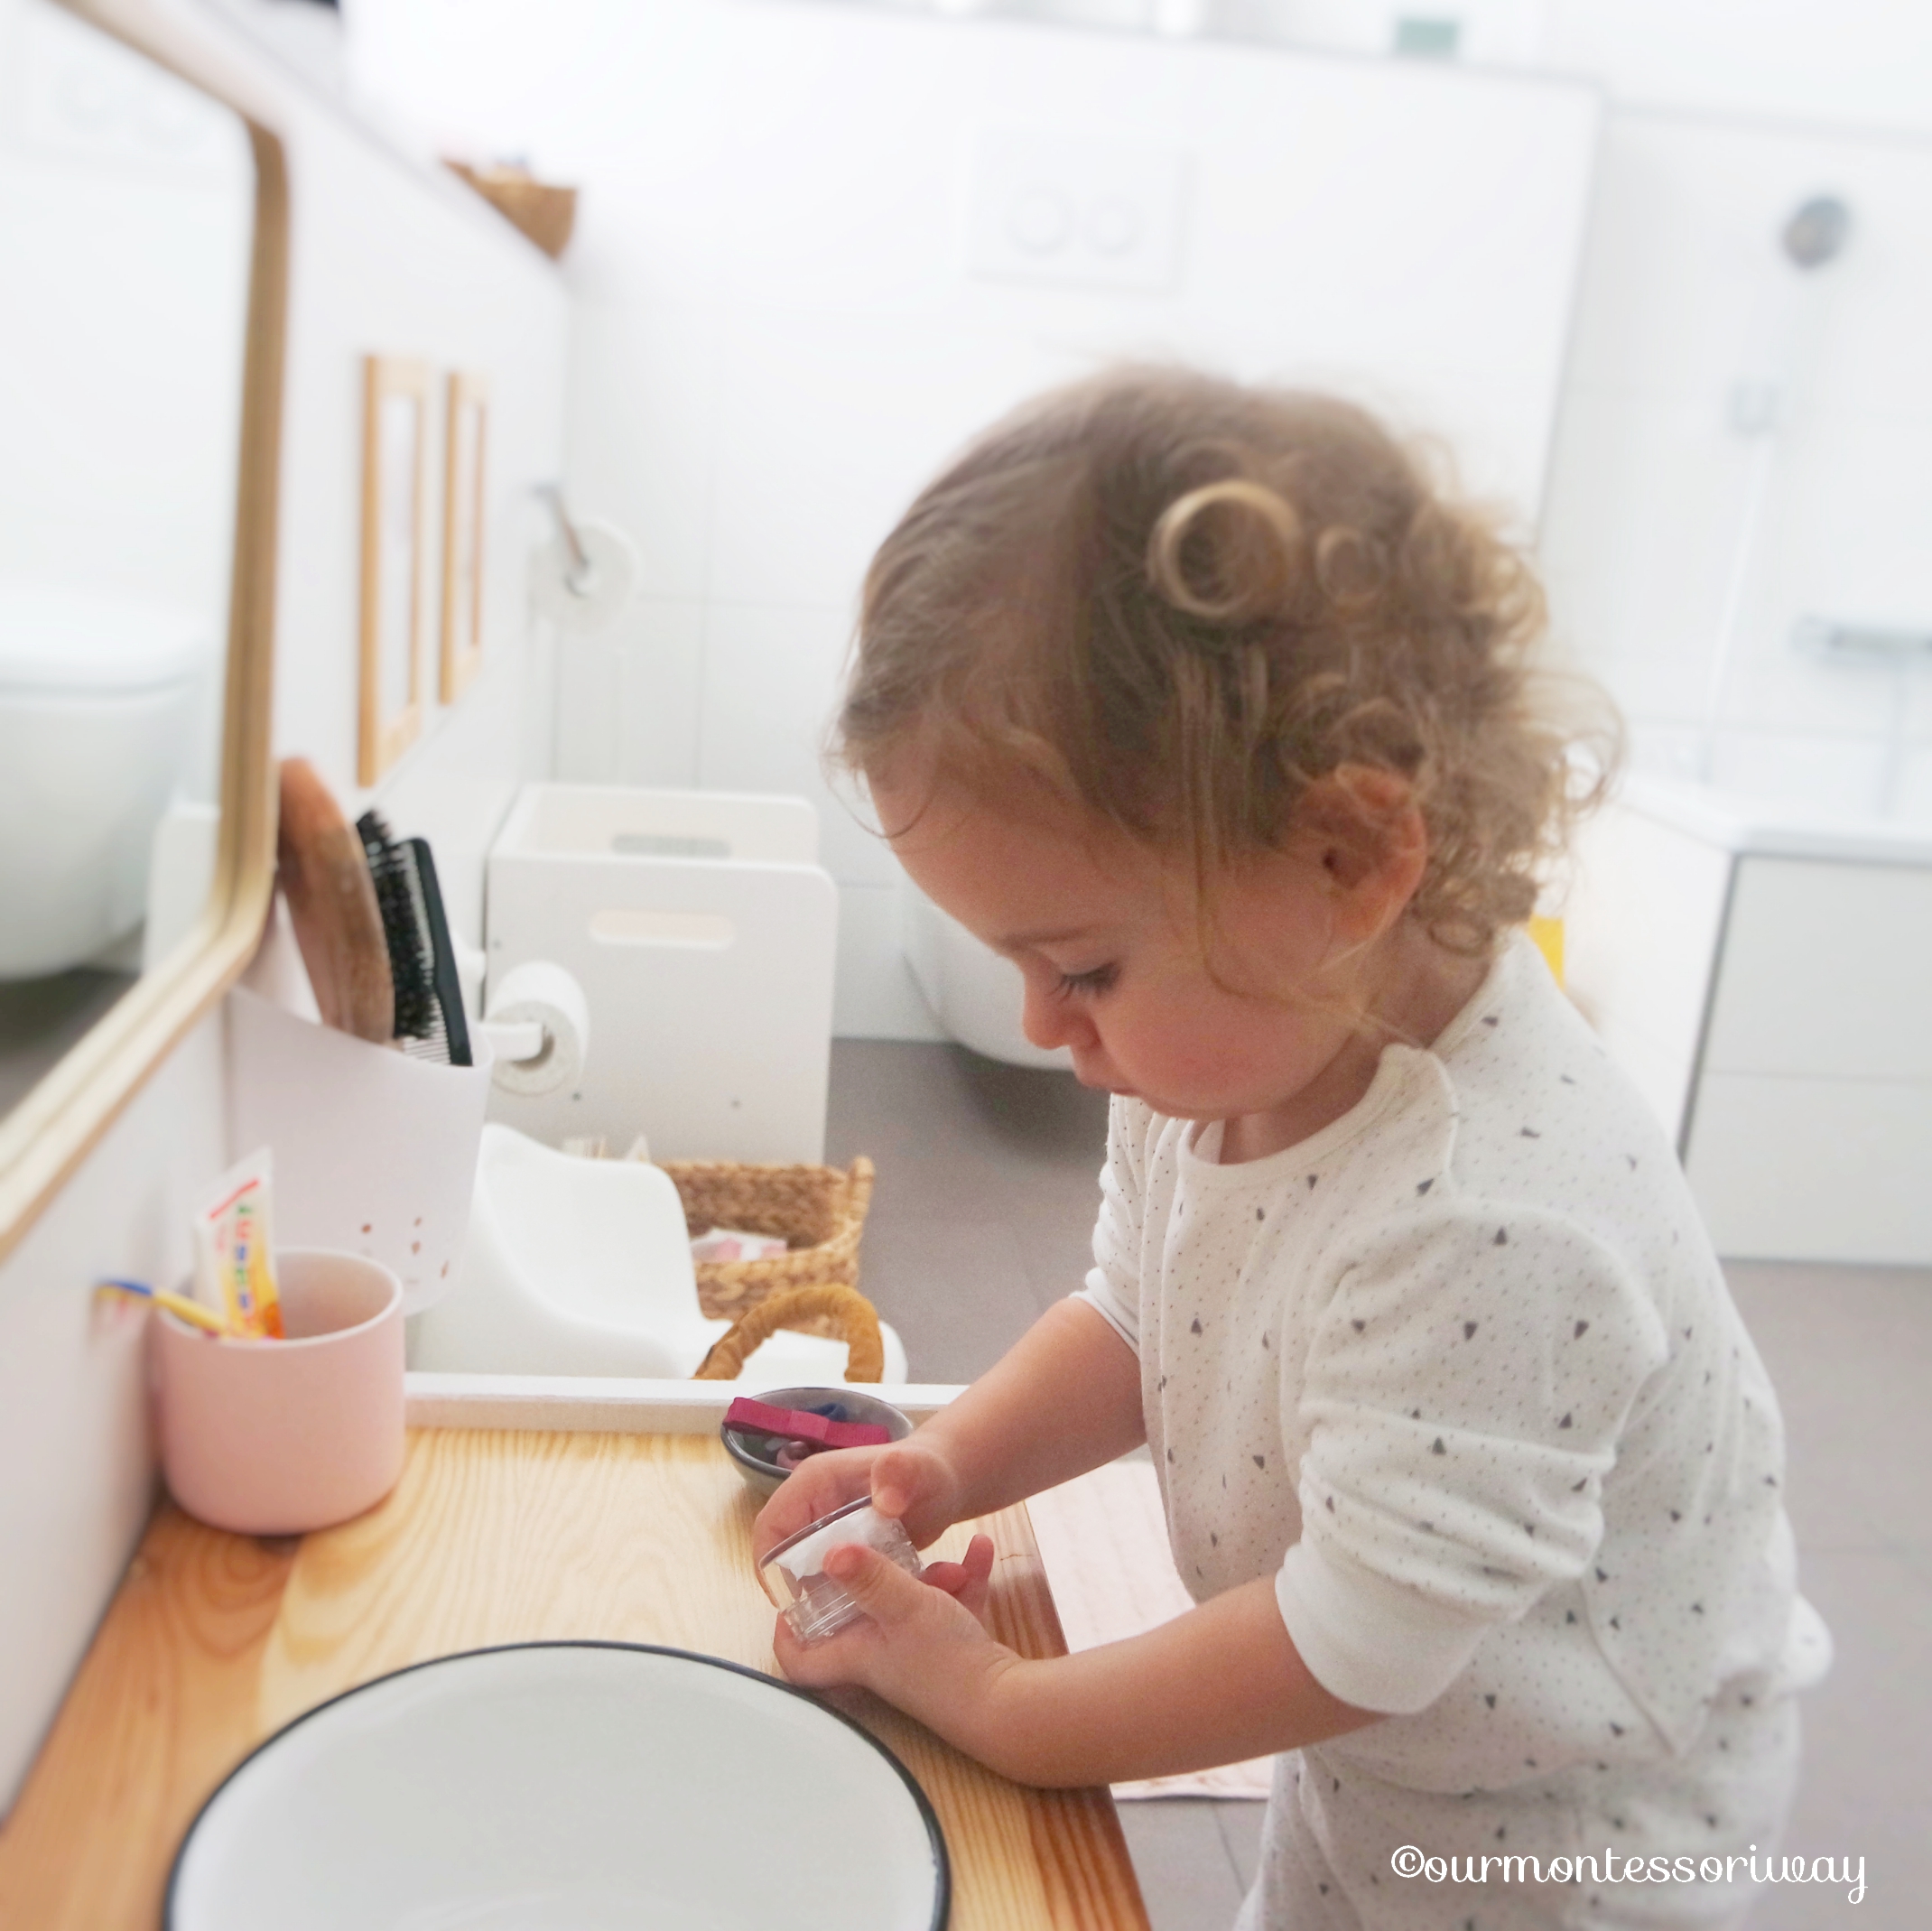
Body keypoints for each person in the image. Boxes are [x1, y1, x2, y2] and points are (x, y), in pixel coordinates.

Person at [752, 369, 1829, 1929]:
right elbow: (1138, 1317)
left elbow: (1356, 1643)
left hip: (1582, 1845)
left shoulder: (1498, 1214)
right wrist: (947, 1464)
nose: (1048, 1024)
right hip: (1395, 1768)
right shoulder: (1234, 1039)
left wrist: (986, 1694)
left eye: (1084, 965)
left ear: (1349, 856)